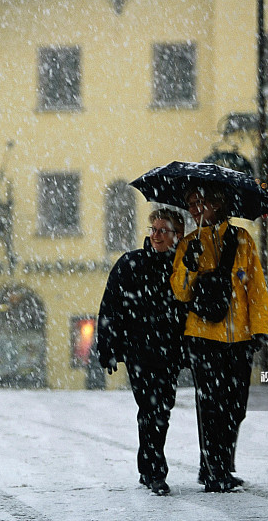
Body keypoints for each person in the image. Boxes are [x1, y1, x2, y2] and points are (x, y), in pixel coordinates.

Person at [170, 186, 268, 493]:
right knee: (211, 405)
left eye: (199, 202)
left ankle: (220, 464)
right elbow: (180, 291)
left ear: (217, 203)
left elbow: (256, 287)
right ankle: (215, 471)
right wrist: (190, 266)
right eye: (191, 205)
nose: (195, 209)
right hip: (202, 335)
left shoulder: (242, 240)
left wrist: (260, 329)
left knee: (236, 407)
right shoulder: (189, 243)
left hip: (239, 337)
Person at [96, 208, 187, 496]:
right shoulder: (131, 263)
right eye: (154, 229)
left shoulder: (182, 267)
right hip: (139, 351)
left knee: (163, 409)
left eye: (164, 230)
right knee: (150, 409)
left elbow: (188, 309)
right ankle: (154, 471)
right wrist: (107, 348)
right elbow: (110, 307)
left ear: (177, 235)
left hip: (168, 351)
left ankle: (148, 467)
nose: (157, 235)